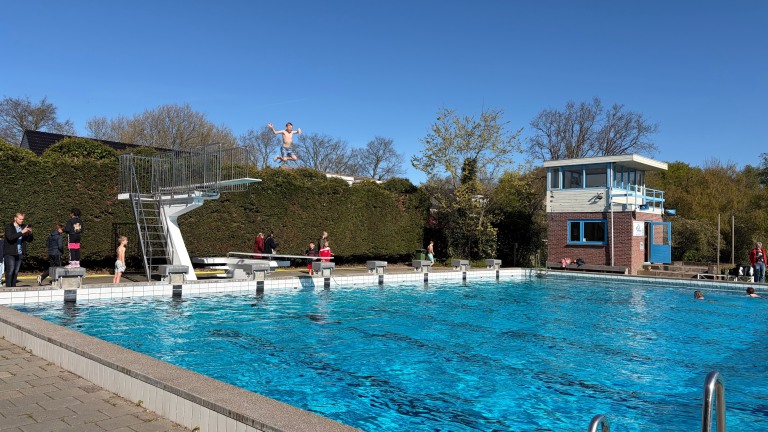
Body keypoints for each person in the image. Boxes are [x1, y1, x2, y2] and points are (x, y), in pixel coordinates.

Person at [3, 213, 34, 288]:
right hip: (10, 252)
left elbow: (29, 240)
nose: (21, 221)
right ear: (15, 218)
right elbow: (10, 238)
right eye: (20, 219)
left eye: (22, 219)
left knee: (16, 272)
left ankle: (13, 287)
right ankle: (8, 288)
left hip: (19, 253)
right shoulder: (9, 227)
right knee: (10, 270)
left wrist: (30, 233)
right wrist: (21, 232)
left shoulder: (23, 227)